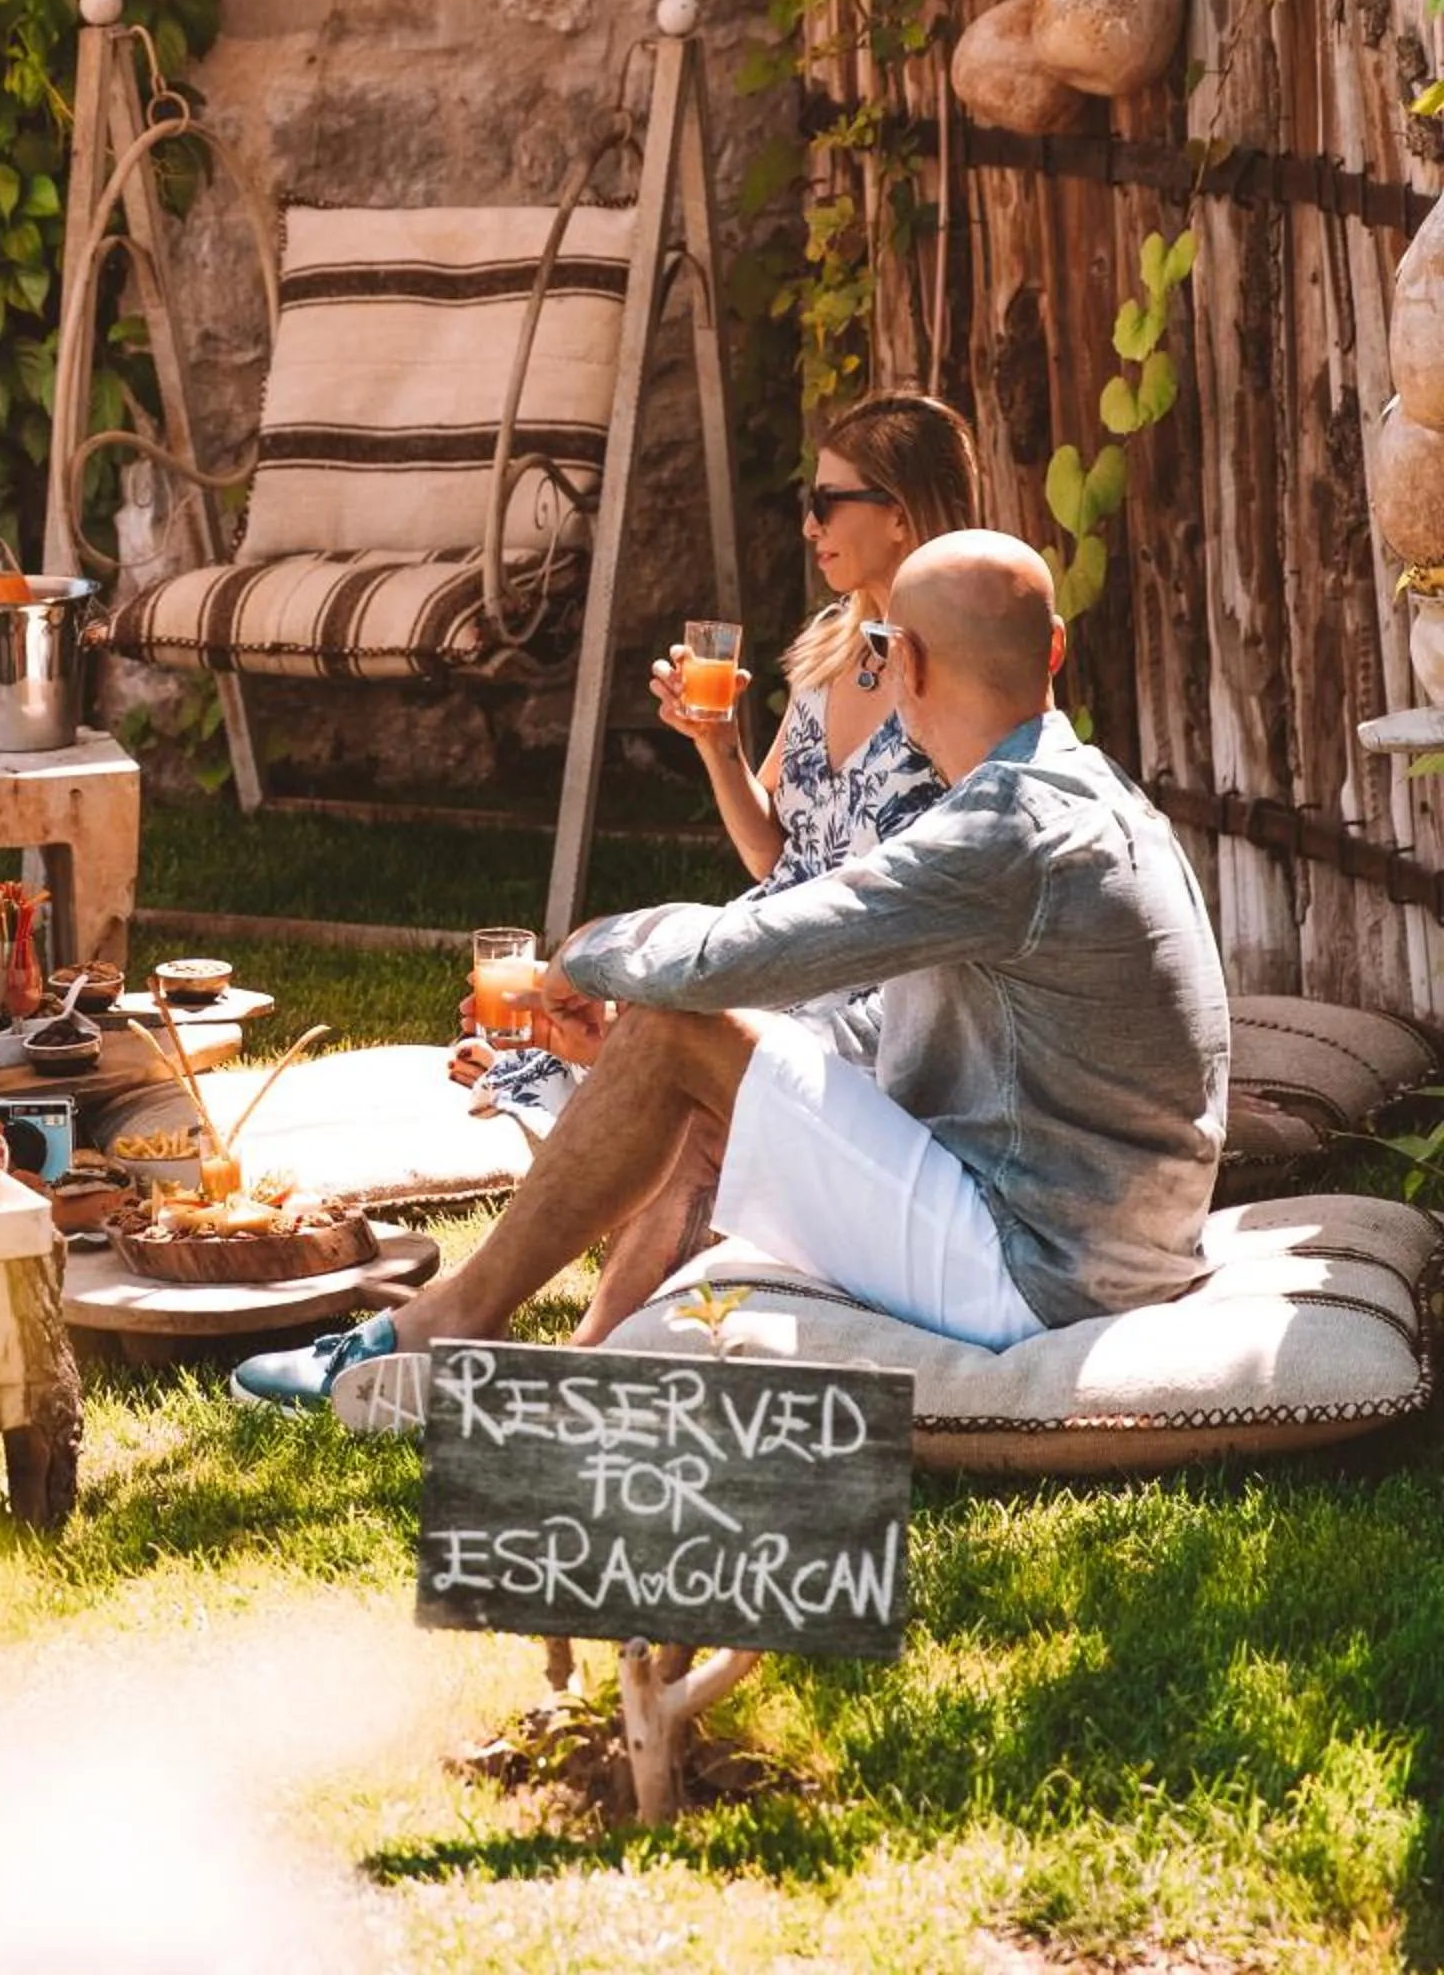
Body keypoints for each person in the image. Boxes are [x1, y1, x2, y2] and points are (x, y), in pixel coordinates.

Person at [237, 531, 1231, 1431]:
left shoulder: (1004, 830)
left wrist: (587, 951)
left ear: (910, 663)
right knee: (690, 1044)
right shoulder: (1091, 793)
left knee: (683, 1025)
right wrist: (645, 1046)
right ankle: (594, 1354)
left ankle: (442, 1327)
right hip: (1115, 1241)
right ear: (1053, 649)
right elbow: (893, 1028)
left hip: (1044, 1267)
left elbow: (745, 950)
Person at [451, 392, 980, 1332]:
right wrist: (718, 743)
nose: (809, 525)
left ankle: (592, 1338)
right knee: (603, 1026)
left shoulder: (959, 670)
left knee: (659, 1055)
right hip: (779, 944)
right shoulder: (833, 649)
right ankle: (616, 1212)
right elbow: (778, 851)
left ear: (901, 514)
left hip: (870, 978)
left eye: (828, 502)